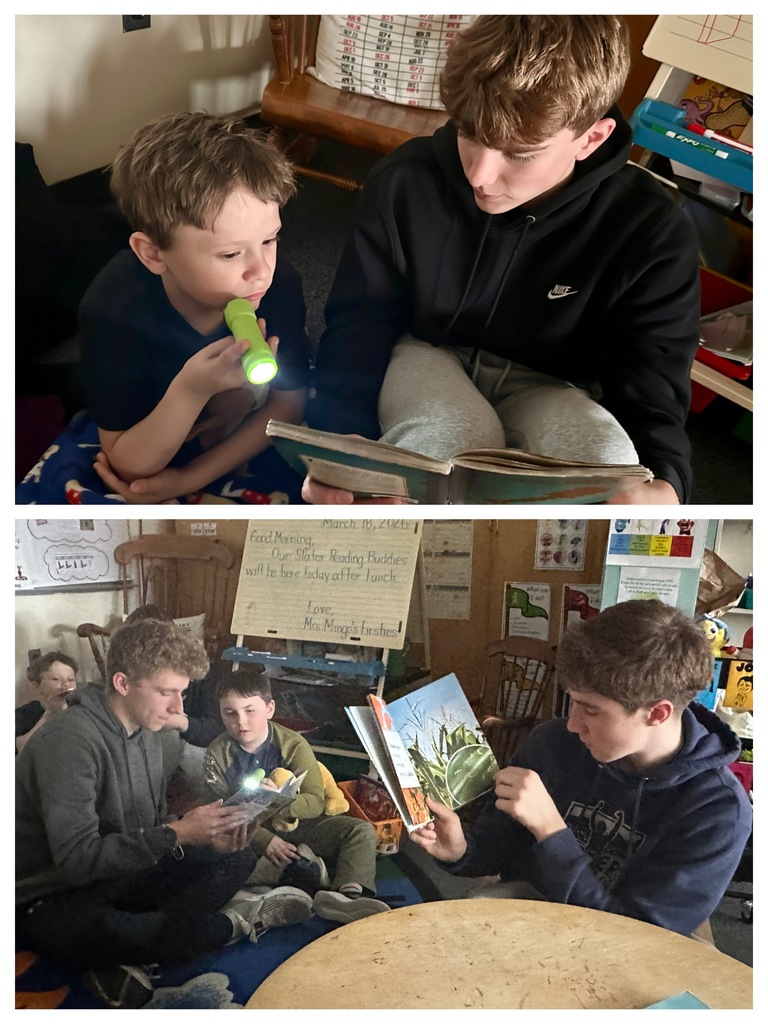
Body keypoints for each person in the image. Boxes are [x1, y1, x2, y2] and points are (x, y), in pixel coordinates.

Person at [305, 16, 700, 506]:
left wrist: (664, 479)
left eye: (521, 153)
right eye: (469, 133)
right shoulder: (405, 181)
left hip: (554, 383)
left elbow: (652, 379)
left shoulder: (652, 228)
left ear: (591, 139)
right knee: (446, 448)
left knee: (611, 465)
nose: (480, 175)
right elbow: (360, 319)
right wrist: (342, 434)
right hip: (427, 351)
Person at [409, 600, 753, 938]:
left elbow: (639, 938)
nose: (573, 724)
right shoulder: (554, 745)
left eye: (590, 710)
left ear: (657, 713)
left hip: (626, 947)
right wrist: (461, 850)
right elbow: (498, 846)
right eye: (572, 701)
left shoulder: (718, 809)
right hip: (527, 916)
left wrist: (551, 832)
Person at [16, 618, 313, 1008]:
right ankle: (240, 920)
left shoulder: (151, 732)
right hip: (50, 894)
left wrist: (203, 836)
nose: (177, 707)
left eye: (182, 693)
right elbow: (76, 862)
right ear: (122, 683)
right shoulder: (68, 742)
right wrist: (179, 834)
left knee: (238, 852)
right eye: (165, 692)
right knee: (93, 928)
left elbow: (146, 831)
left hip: (117, 873)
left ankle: (141, 944)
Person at [81, 111, 310, 504]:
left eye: (270, 240)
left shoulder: (280, 284)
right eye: (230, 254)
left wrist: (188, 480)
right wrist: (192, 389)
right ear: (153, 253)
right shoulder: (113, 309)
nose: (261, 272)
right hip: (145, 416)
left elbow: (291, 401)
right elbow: (130, 465)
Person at [202, 669, 390, 924]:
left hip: (300, 828)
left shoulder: (293, 744)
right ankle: (301, 874)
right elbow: (220, 813)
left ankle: (349, 895)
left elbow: (315, 802)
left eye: (250, 711)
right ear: (220, 712)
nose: (241, 722)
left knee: (360, 831)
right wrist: (265, 840)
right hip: (246, 837)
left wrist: (279, 800)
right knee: (217, 859)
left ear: (269, 708)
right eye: (230, 713)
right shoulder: (217, 755)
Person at [16, 652, 78, 754]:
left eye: (70, 679)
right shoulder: (27, 713)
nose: (66, 684)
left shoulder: (81, 708)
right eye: (55, 679)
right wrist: (49, 715)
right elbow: (21, 748)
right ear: (36, 686)